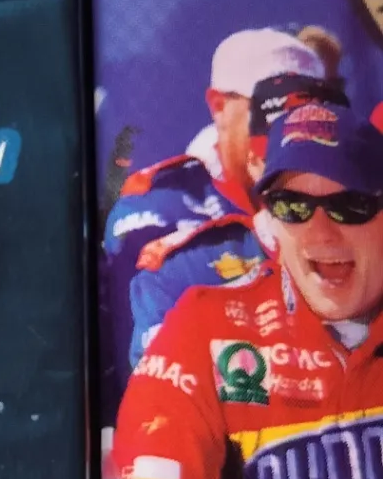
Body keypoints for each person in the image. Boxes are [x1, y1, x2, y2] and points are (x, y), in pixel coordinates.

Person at [112, 94, 383, 479]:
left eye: (351, 204)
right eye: (293, 206)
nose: (321, 232)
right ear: (268, 219)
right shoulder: (206, 327)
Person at [104, 27, 339, 369]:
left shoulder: (350, 200)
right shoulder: (153, 211)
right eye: (270, 111)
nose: (288, 129)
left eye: (304, 110)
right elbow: (141, 371)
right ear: (218, 106)